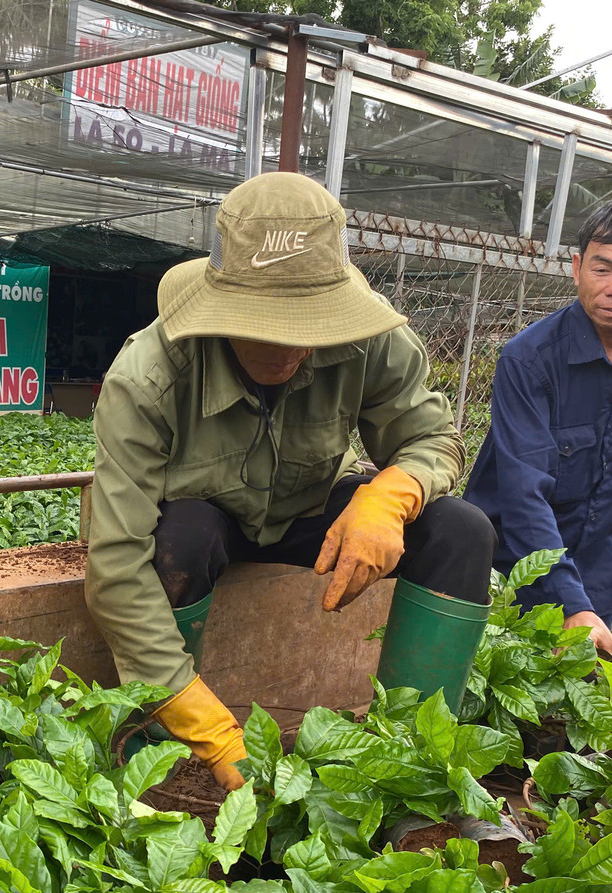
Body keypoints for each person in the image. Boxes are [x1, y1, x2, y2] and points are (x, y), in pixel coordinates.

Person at [84, 172, 497, 791]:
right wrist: (206, 722)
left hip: (307, 516)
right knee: (180, 537)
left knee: (460, 530)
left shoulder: (372, 341)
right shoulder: (148, 376)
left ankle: (415, 764)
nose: (290, 346)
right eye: (266, 324)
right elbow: (116, 564)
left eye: (309, 325)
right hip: (209, 531)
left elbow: (432, 437)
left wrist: (391, 493)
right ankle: (159, 745)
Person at [464, 196, 612, 657]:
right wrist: (569, 604)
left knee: (584, 714)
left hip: (601, 572)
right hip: (512, 576)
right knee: (500, 712)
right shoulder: (529, 359)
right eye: (602, 268)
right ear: (577, 267)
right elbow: (523, 492)